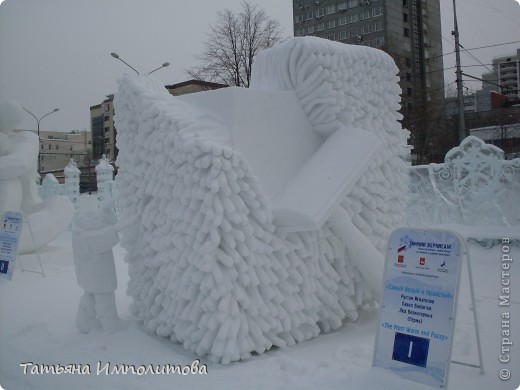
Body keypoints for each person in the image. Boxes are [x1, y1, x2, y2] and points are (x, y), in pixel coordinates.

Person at [72, 202, 134, 333]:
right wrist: (116, 228)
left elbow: (105, 231)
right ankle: (110, 323)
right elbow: (101, 239)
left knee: (90, 293)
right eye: (92, 216)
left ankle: (85, 320)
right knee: (104, 294)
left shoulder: (79, 230)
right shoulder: (84, 236)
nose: (94, 218)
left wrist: (106, 212)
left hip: (91, 273)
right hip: (98, 273)